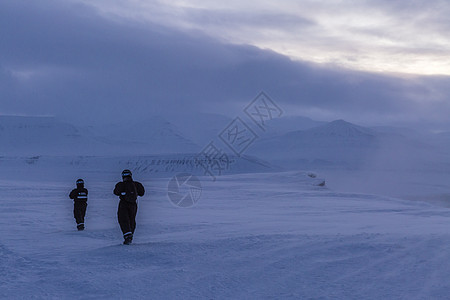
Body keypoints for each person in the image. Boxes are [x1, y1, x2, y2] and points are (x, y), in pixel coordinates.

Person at [113, 169, 145, 245]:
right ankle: (130, 236)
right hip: (133, 204)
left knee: (123, 218)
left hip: (123, 203)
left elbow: (115, 192)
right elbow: (142, 193)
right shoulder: (136, 184)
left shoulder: (120, 184)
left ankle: (127, 236)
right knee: (131, 220)